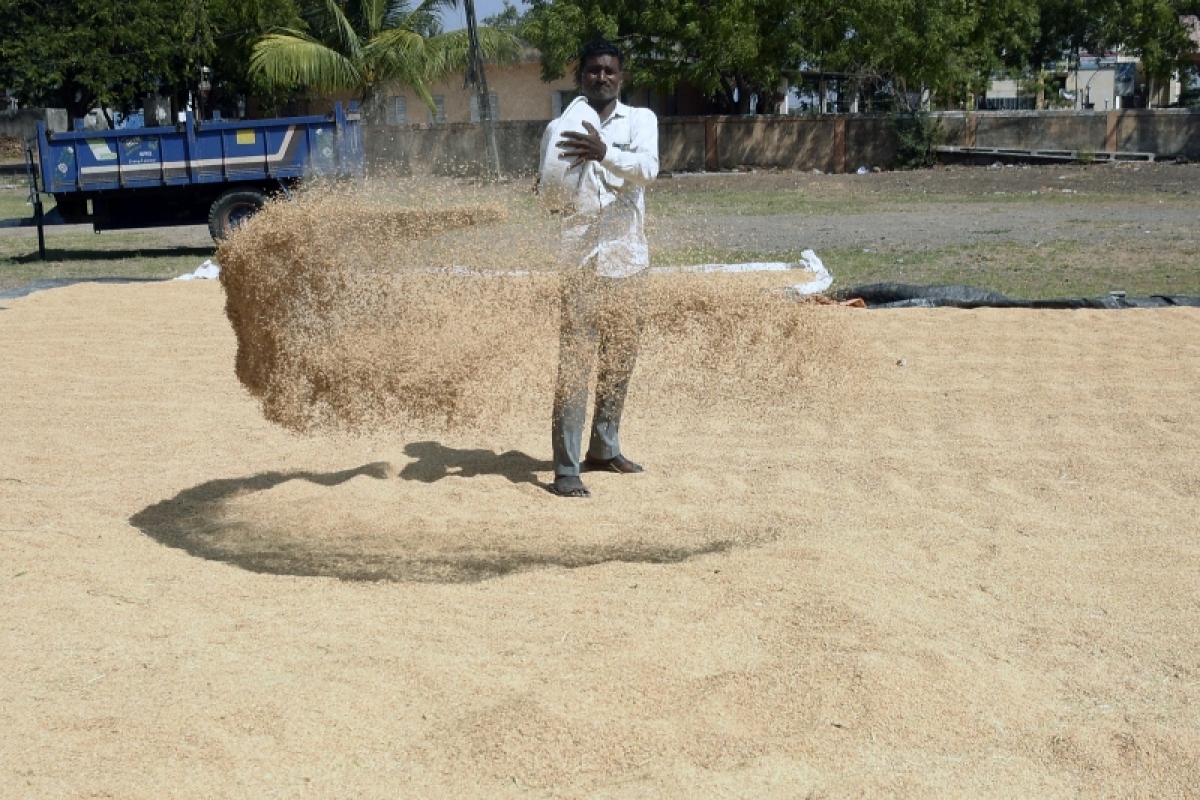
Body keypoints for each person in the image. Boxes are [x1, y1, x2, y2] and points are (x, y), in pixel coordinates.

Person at [539, 39, 659, 498]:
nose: (601, 77)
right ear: (581, 77)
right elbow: (548, 194)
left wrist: (602, 151)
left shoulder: (641, 120)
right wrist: (552, 191)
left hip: (628, 260)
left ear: (620, 77)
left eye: (609, 70)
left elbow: (648, 170)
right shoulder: (560, 128)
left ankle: (604, 448)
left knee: (619, 361)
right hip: (580, 263)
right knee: (574, 365)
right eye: (593, 71)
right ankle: (566, 469)